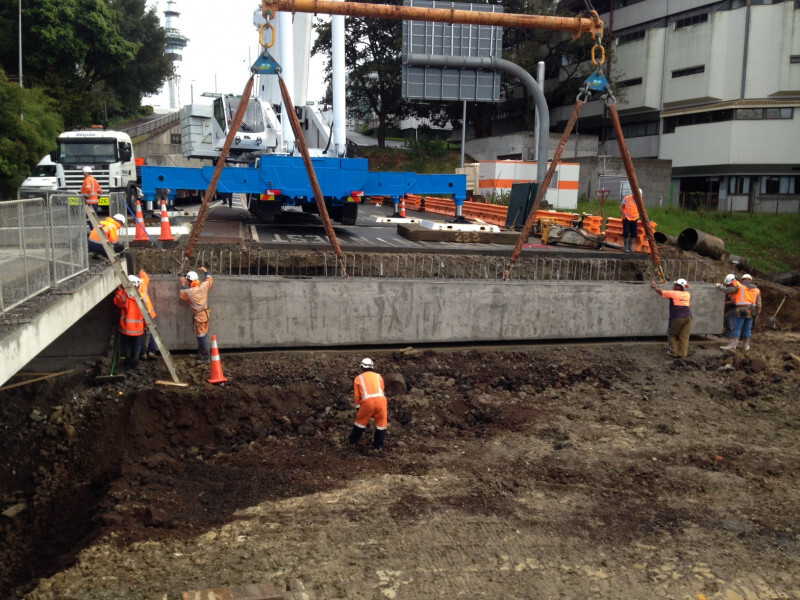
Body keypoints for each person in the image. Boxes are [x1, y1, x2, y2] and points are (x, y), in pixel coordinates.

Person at [347, 358, 388, 451]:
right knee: (381, 424)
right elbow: (381, 389)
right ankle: (378, 447)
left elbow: (357, 397)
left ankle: (352, 441)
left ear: (361, 367)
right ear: (372, 367)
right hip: (381, 401)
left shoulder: (358, 378)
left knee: (360, 423)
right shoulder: (379, 376)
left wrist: (358, 409)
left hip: (367, 402)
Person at [651, 278, 692, 359]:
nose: (674, 286)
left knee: (672, 335)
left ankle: (673, 352)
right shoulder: (687, 294)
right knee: (684, 336)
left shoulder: (673, 293)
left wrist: (654, 287)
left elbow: (661, 292)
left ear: (679, 287)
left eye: (675, 285)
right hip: (688, 317)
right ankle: (682, 354)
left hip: (677, 317)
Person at [113, 274, 146, 370]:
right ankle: (134, 364)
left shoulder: (124, 296)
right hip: (138, 328)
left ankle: (127, 363)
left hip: (126, 327)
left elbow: (117, 302)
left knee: (127, 346)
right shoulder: (142, 296)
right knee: (137, 347)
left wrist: (119, 290)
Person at [179, 267, 214, 361]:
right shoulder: (203, 286)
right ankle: (200, 353)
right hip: (206, 314)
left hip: (199, 317)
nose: (186, 282)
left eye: (187, 281)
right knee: (203, 335)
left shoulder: (189, 292)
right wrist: (205, 271)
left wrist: (182, 284)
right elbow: (210, 279)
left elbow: (181, 294)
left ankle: (206, 358)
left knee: (201, 337)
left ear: (190, 281)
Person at [720, 273, 761, 352]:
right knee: (747, 329)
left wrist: (719, 286)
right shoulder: (757, 290)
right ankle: (746, 346)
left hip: (741, 310)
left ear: (742, 280)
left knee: (737, 328)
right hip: (751, 311)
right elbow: (759, 304)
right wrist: (757, 313)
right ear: (751, 280)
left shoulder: (740, 287)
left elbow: (728, 290)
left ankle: (732, 346)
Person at [137, 270, 159, 361]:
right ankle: (152, 351)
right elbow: (146, 278)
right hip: (149, 314)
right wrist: (141, 271)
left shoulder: (132, 294)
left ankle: (143, 353)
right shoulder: (142, 285)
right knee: (151, 333)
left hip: (140, 317)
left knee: (141, 334)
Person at [716, 274, 740, 338]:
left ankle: (730, 332)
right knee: (731, 317)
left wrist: (719, 287)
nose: (727, 285)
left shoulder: (737, 286)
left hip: (739, 306)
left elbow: (728, 291)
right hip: (737, 305)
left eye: (728, 284)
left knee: (728, 316)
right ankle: (730, 331)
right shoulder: (734, 285)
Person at [620, 188, 641, 253]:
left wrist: (639, 216)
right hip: (627, 218)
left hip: (634, 219)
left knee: (634, 233)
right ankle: (626, 247)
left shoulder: (639, 200)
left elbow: (641, 209)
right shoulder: (627, 198)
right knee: (626, 232)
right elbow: (621, 207)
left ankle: (630, 247)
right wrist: (624, 216)